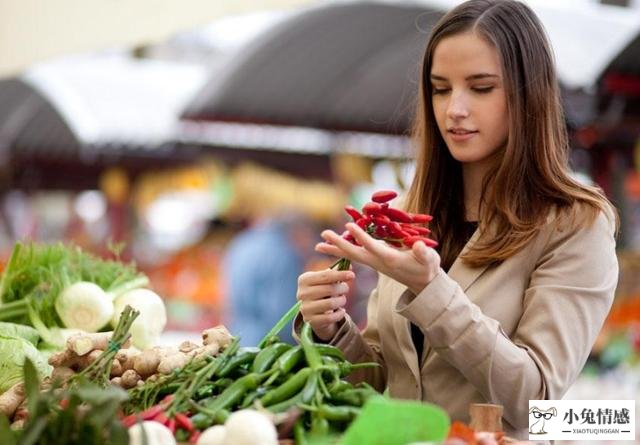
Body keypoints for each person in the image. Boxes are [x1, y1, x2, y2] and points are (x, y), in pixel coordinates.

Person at [294, 0, 618, 440]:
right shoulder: (409, 210)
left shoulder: (574, 224)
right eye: (440, 89)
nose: (454, 110)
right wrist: (333, 329)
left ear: (529, 94)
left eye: (481, 88)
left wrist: (433, 291)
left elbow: (535, 400)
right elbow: (383, 381)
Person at [223, 212, 316, 346]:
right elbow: (282, 316)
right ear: (297, 231)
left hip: (237, 338)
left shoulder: (241, 242)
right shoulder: (283, 254)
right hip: (267, 348)